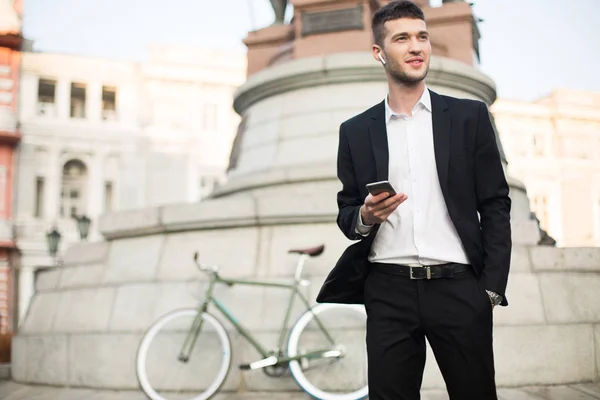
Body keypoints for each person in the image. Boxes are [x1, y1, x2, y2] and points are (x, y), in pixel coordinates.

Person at [316, 1, 512, 399]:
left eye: (421, 36)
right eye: (401, 38)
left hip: (459, 287)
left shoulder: (469, 117)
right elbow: (347, 212)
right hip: (388, 291)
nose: (415, 46)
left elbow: (495, 203)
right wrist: (366, 216)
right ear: (379, 52)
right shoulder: (355, 131)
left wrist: (490, 289)